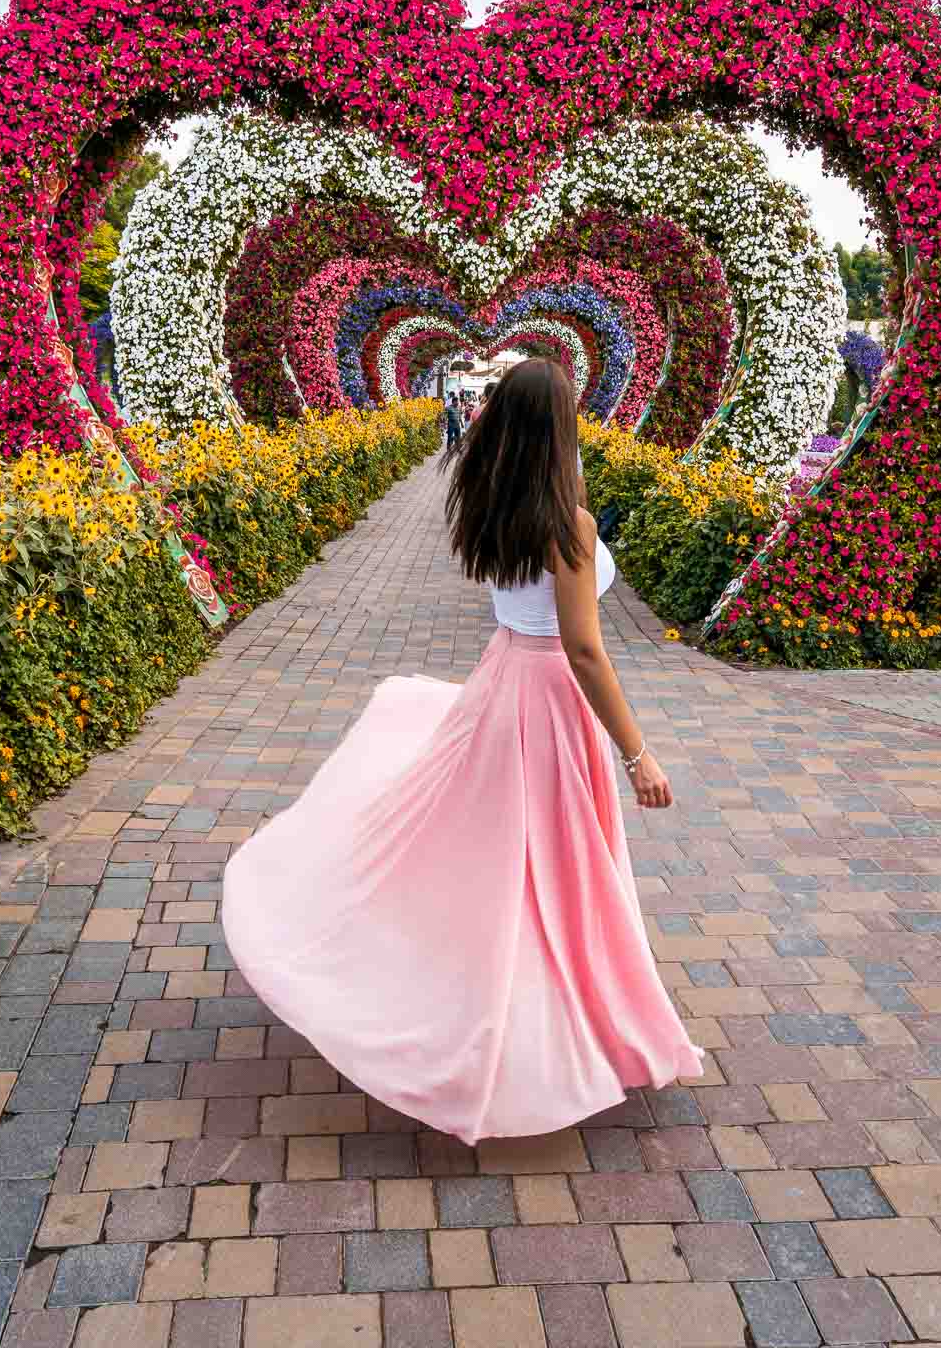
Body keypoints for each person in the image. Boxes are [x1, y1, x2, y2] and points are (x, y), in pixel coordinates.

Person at [221, 359, 702, 1144]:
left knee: (507, 860)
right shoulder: (566, 523)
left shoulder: (495, 502)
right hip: (548, 698)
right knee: (551, 867)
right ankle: (543, 1031)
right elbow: (583, 649)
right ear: (558, 428)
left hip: (501, 680)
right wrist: (635, 751)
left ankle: (514, 1006)